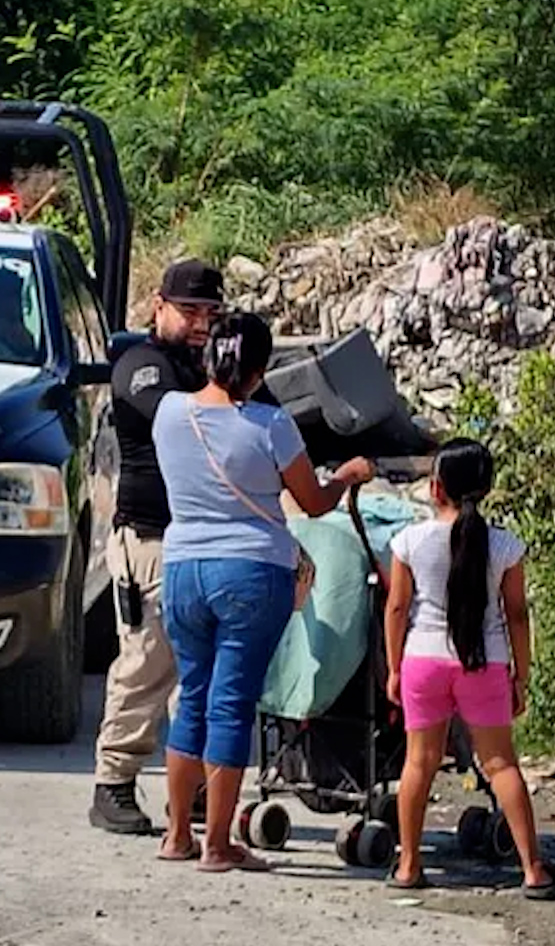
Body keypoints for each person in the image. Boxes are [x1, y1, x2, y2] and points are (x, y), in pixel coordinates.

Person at [149, 310, 373, 871]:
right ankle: (218, 845)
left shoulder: (169, 412)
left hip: (181, 568)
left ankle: (177, 835)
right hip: (250, 572)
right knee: (231, 705)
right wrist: (347, 476)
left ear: (206, 359)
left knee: (193, 700)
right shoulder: (271, 426)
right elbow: (315, 504)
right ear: (258, 372)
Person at [382, 437, 555, 898]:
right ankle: (533, 869)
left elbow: (397, 608)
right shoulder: (505, 546)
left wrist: (395, 668)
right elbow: (517, 615)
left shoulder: (409, 541)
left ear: (436, 488)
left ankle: (408, 865)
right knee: (501, 763)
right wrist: (523, 673)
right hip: (486, 663)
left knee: (419, 762)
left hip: (423, 659)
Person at [89, 258, 223, 835]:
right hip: (152, 538)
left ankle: (188, 791)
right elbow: (177, 418)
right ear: (158, 306)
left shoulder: (211, 368)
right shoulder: (142, 366)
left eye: (211, 314)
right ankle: (113, 783)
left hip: (202, 537)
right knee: (148, 663)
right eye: (190, 311)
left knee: (202, 673)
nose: (200, 324)